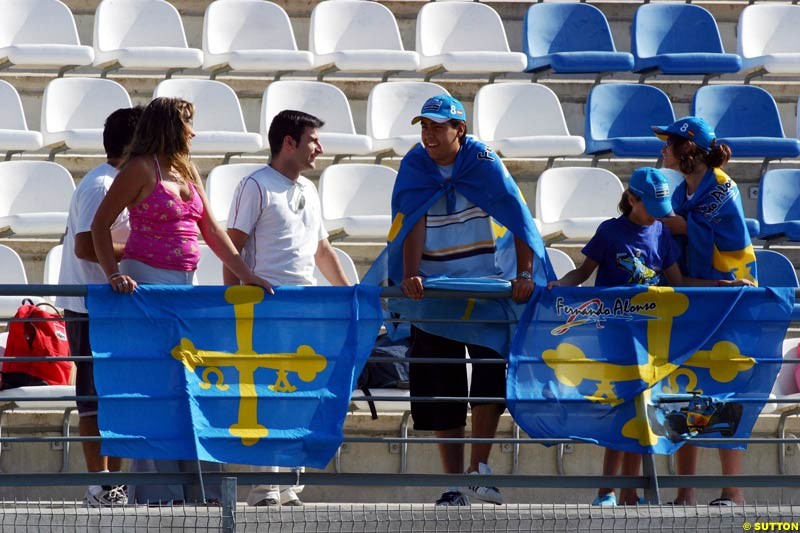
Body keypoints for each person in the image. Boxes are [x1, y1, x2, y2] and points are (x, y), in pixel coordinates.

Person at [90, 97, 271, 504]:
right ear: (171, 126)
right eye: (188, 124)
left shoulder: (187, 170)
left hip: (182, 291)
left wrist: (247, 274)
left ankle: (195, 488)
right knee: (155, 390)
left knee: (188, 386)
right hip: (146, 288)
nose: (193, 132)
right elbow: (100, 225)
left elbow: (210, 228)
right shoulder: (139, 169)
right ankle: (157, 492)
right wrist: (113, 274)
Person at [398, 94, 538, 506]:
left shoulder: (484, 161)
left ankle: (480, 470)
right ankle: (455, 483)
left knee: (490, 378)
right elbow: (411, 219)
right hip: (434, 294)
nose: (428, 134)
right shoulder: (414, 164)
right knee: (443, 387)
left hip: (483, 289)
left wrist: (525, 273)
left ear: (460, 129)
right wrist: (411, 274)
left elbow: (518, 216)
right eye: (424, 126)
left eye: (437, 126)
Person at [224, 109, 351, 506]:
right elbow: (232, 247)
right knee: (265, 394)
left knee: (298, 395)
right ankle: (264, 484)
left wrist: (347, 294)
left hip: (305, 309)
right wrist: (236, 305)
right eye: (313, 139)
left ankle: (288, 483)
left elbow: (320, 250)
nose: (320, 148)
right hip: (265, 308)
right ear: (289, 143)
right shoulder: (255, 185)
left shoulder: (309, 191)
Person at [654, 116, 757, 507]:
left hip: (727, 300)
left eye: (669, 142)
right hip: (695, 300)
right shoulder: (685, 190)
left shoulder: (720, 187)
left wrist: (653, 216)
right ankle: (686, 493)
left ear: (688, 149)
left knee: (723, 392)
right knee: (685, 393)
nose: (663, 148)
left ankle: (733, 492)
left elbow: (685, 229)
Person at [56, 106, 143, 507]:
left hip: (112, 305)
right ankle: (100, 483)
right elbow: (86, 245)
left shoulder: (120, 182)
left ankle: (115, 484)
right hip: (88, 306)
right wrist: (144, 250)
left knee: (119, 397)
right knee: (93, 398)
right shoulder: (100, 185)